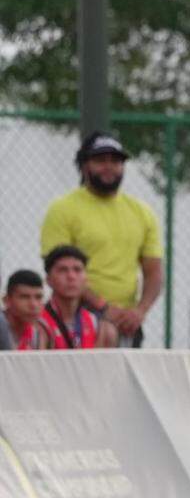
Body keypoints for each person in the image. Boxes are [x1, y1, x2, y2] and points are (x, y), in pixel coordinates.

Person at [40, 132, 163, 347]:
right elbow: (57, 269)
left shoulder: (142, 212)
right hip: (77, 318)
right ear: (84, 165)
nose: (109, 167)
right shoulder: (62, 209)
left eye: (115, 161)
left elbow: (154, 271)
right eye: (100, 160)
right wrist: (104, 309)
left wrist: (139, 312)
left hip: (128, 321)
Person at [40, 245, 117, 349]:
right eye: (63, 270)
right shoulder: (38, 322)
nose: (71, 276)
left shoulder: (97, 325)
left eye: (77, 270)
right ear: (48, 280)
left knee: (109, 332)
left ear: (86, 279)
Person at [3, 270, 51, 350]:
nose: (33, 305)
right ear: (7, 300)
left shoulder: (41, 330)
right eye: (24, 297)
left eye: (38, 297)